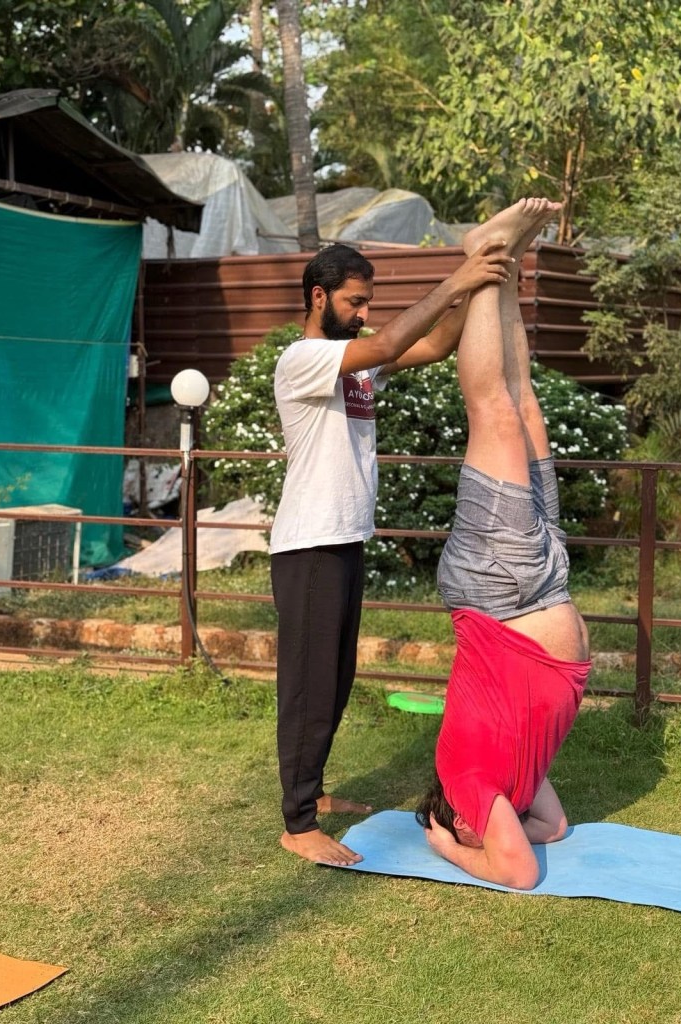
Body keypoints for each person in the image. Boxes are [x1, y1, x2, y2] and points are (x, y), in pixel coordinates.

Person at [270, 239, 515, 866]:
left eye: (368, 302)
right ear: (318, 296)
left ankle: (312, 792)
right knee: (308, 687)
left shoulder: (352, 367)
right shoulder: (303, 358)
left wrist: (477, 286)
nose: (364, 313)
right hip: (310, 544)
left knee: (335, 681)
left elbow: (430, 345)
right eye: (355, 302)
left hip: (342, 538)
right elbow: (385, 344)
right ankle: (298, 824)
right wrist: (455, 279)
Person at [415, 197, 592, 890]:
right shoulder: (512, 787)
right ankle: (507, 263)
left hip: (500, 589)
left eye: (479, 833)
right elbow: (554, 827)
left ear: (458, 819)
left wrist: (450, 850)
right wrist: (508, 818)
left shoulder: (466, 783)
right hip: (540, 582)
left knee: (491, 412)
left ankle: (480, 254)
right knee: (524, 407)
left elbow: (517, 873)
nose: (500, 829)